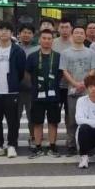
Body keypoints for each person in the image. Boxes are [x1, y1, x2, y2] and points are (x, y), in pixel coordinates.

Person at [0, 21, 27, 159]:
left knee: (12, 121)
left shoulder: (17, 50)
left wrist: (14, 82)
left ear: (11, 33)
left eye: (7, 30)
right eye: (1, 30)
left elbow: (21, 71)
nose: (3, 32)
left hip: (12, 91)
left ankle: (12, 145)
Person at [60, 26, 95, 155]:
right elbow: (64, 70)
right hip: (72, 90)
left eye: (81, 33)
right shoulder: (65, 53)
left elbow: (93, 69)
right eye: (76, 33)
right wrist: (75, 84)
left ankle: (89, 145)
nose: (79, 35)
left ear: (85, 36)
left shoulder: (91, 52)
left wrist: (83, 83)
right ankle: (71, 144)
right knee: (72, 118)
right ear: (72, 35)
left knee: (89, 118)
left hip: (88, 90)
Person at [26, 29, 62, 158]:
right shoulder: (32, 56)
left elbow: (61, 74)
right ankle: (38, 147)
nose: (46, 41)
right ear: (39, 40)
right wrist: (36, 86)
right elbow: (27, 74)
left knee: (53, 122)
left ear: (53, 41)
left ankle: (52, 146)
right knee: (37, 122)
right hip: (37, 95)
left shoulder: (58, 56)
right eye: (44, 38)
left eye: (49, 38)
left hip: (54, 95)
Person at [17, 23, 39, 150]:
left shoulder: (38, 49)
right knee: (15, 116)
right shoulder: (14, 48)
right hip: (16, 89)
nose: (26, 35)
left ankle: (33, 137)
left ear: (33, 35)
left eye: (29, 33)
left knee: (33, 116)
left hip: (33, 89)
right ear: (19, 34)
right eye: (24, 32)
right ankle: (13, 139)